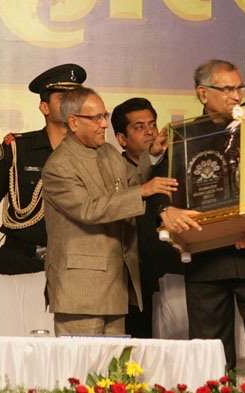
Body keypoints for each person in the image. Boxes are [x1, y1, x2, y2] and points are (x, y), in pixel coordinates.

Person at [151, 59, 245, 382]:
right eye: (226, 89)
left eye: (238, 88)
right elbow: (160, 190)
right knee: (209, 353)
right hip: (206, 257)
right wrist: (165, 210)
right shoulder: (181, 136)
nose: (236, 95)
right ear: (203, 93)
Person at [41, 87, 177, 336]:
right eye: (96, 118)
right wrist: (142, 191)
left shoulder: (108, 153)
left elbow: (132, 182)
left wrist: (151, 155)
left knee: (112, 370)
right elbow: (89, 209)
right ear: (73, 122)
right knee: (80, 369)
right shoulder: (58, 165)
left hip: (115, 283)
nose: (104, 124)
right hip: (79, 290)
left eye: (105, 116)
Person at [0, 64, 86, 274]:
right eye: (63, 99)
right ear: (44, 107)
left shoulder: (93, 155)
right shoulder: (16, 149)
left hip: (72, 267)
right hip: (16, 264)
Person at [111, 97, 183, 338]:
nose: (150, 131)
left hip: (177, 271)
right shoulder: (113, 171)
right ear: (122, 139)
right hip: (135, 280)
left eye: (152, 124)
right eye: (139, 127)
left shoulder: (175, 162)